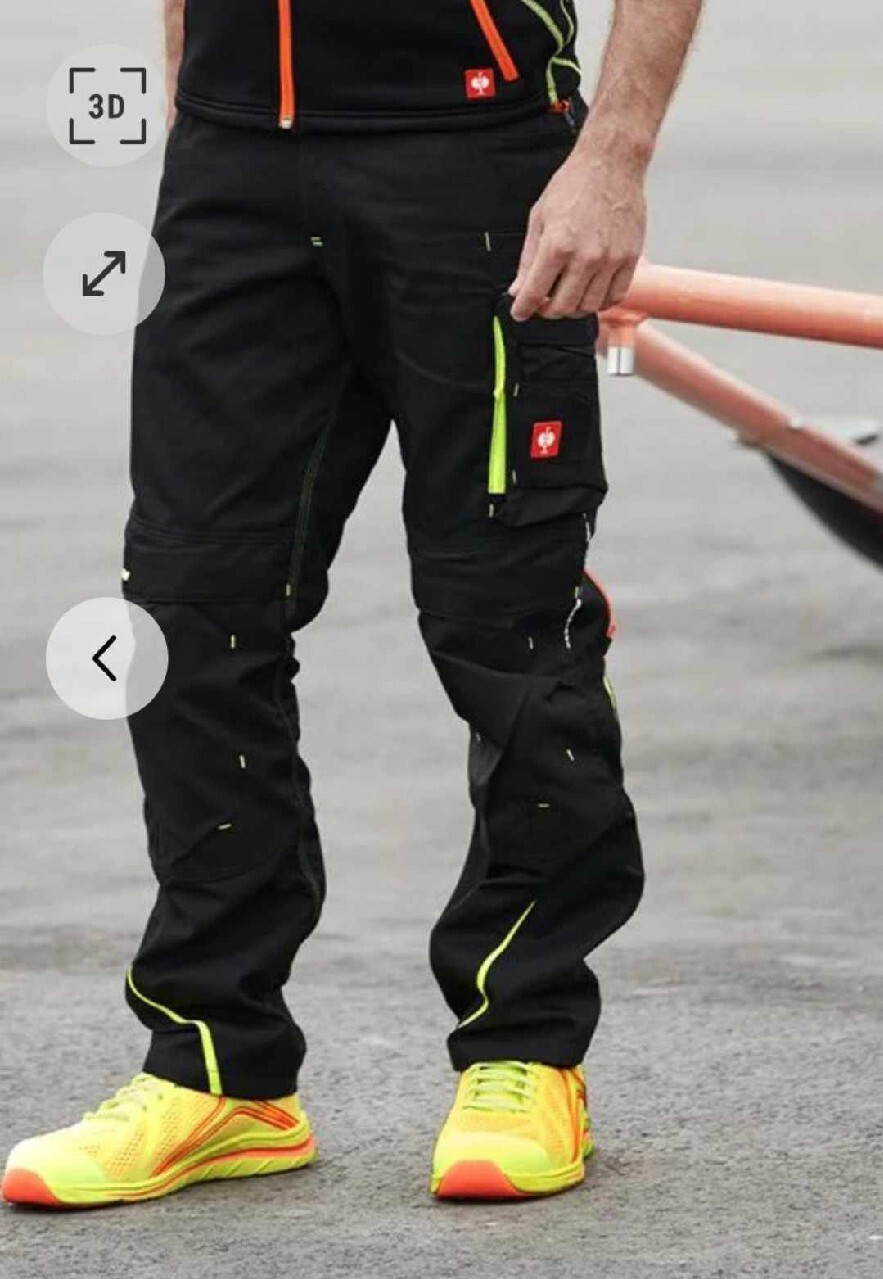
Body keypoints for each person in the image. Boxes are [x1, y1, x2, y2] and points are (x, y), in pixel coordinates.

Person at [3, 0, 701, 1209]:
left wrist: (612, 158)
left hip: (477, 154)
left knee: (507, 623)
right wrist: (193, 99)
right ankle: (216, 1069)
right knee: (185, 608)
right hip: (234, 159)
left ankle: (525, 1046)